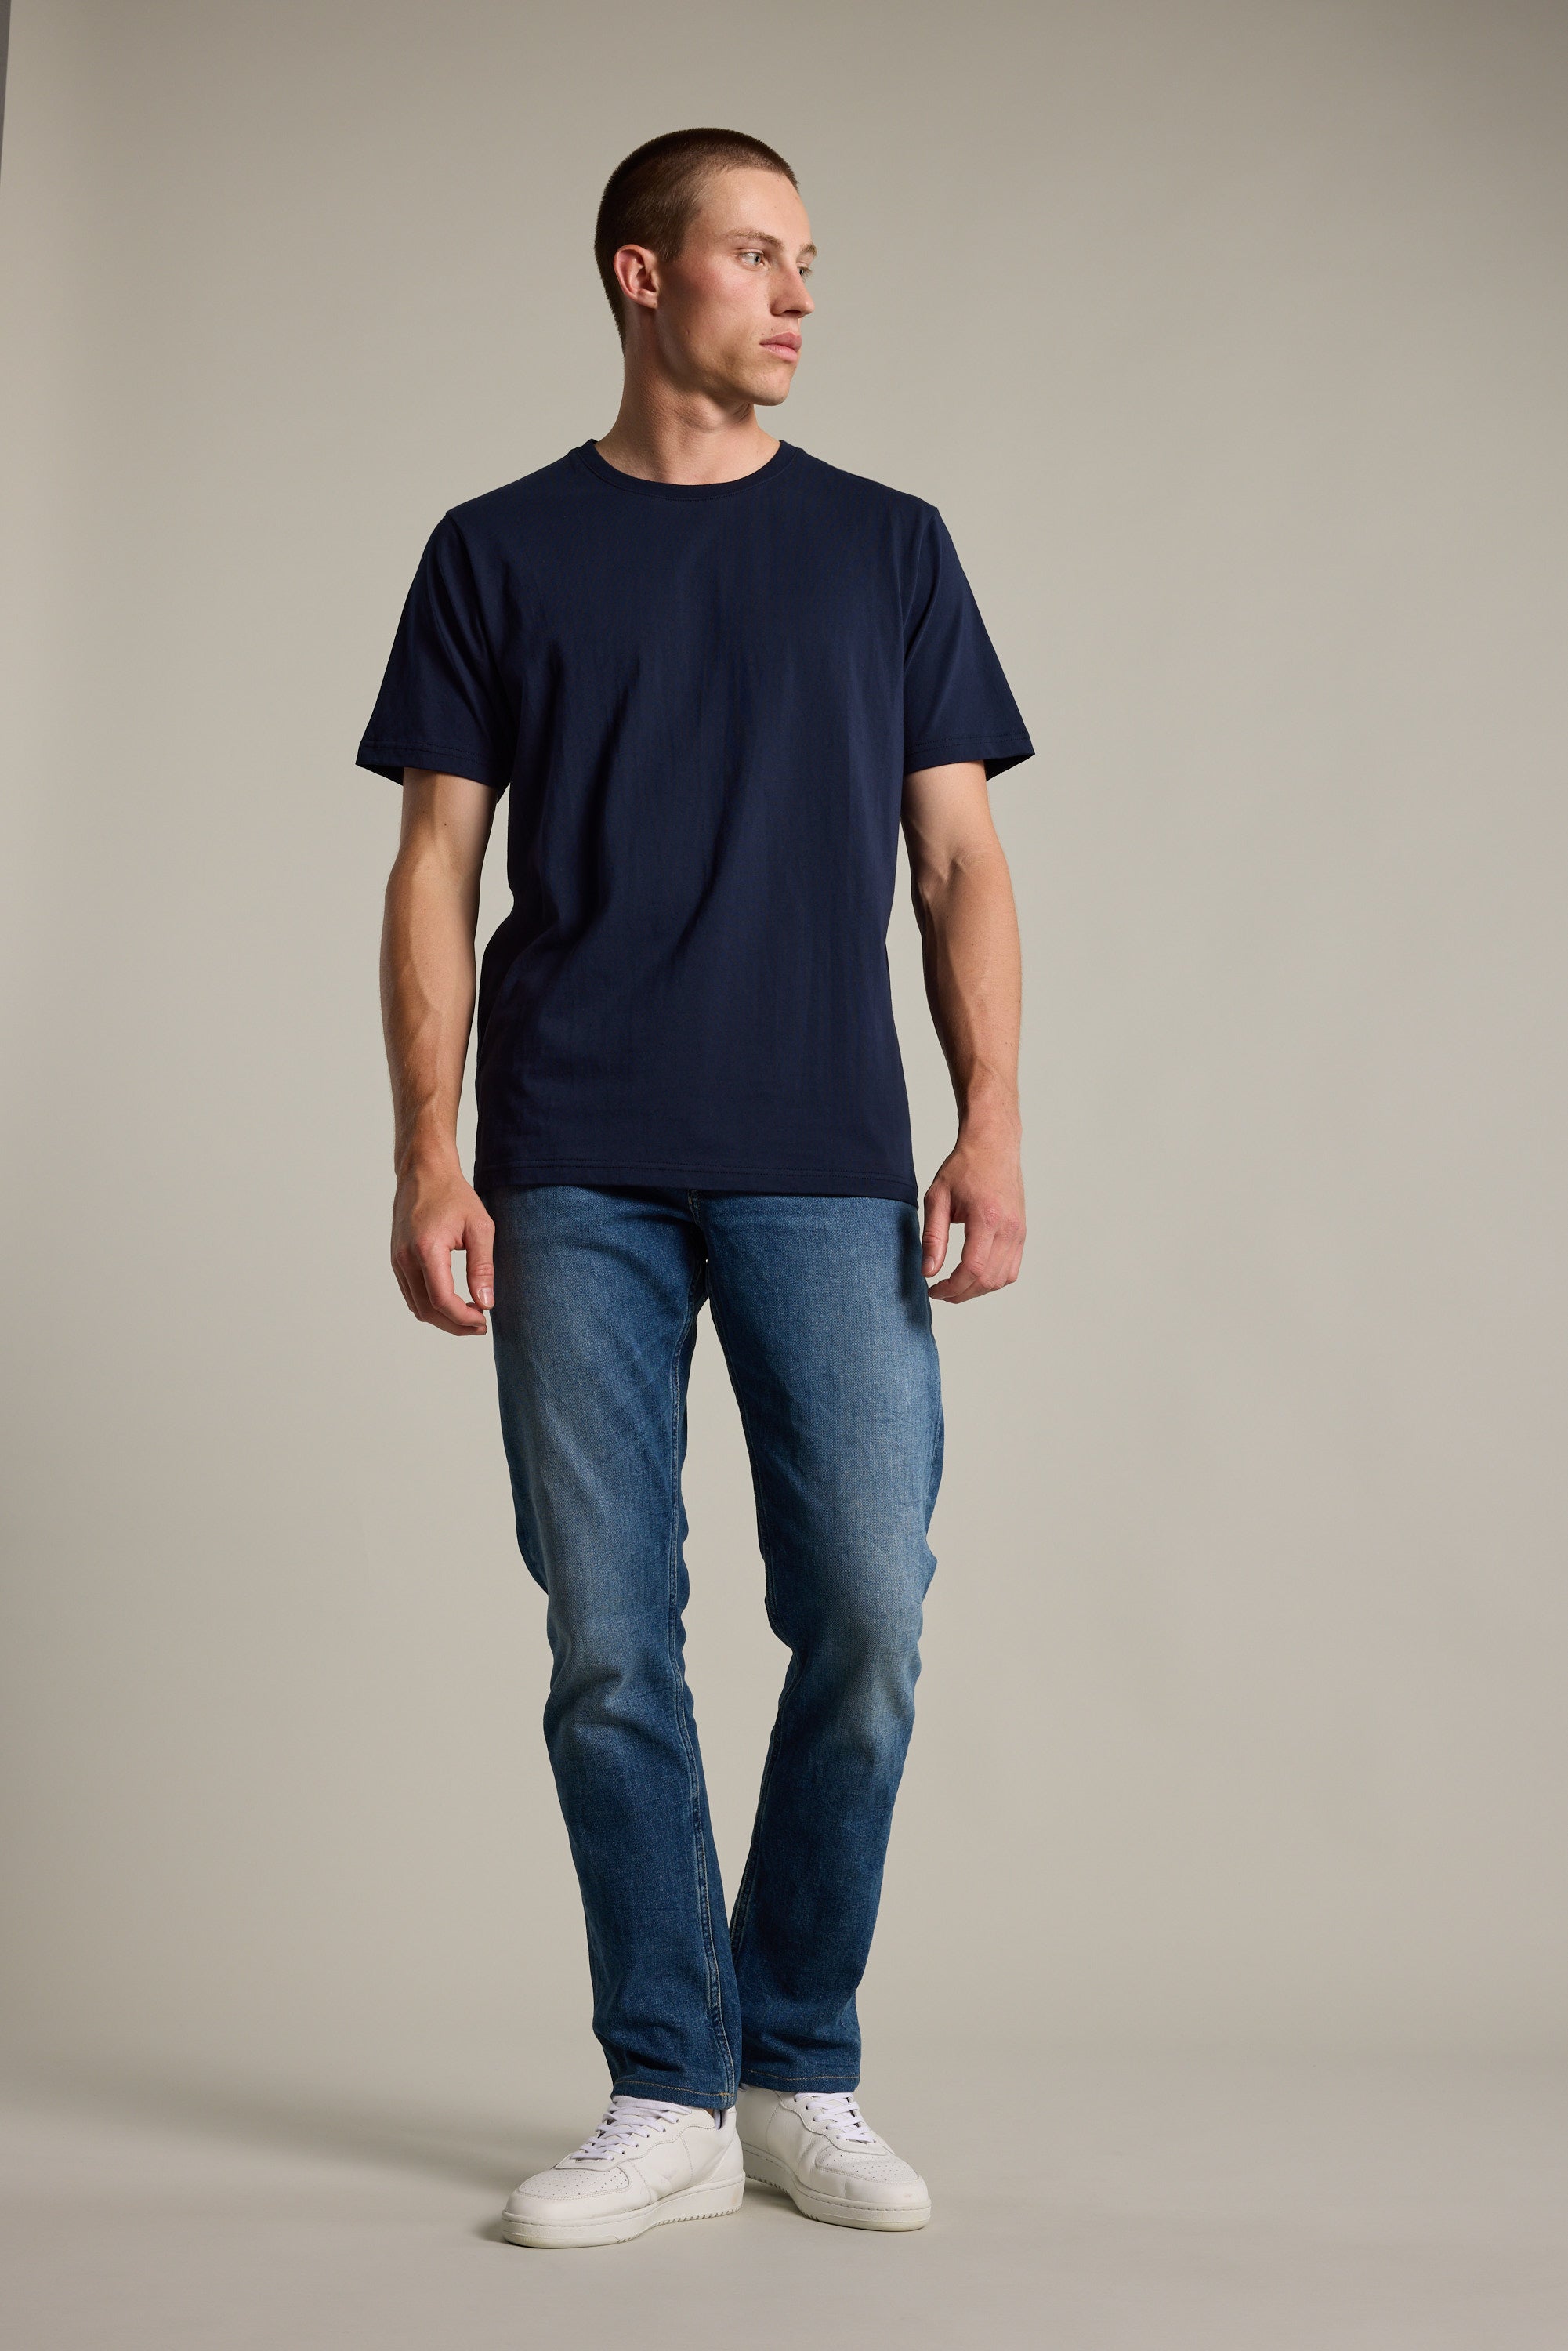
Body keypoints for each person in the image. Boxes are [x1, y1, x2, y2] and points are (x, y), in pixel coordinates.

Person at [357, 126, 1032, 2251]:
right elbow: (436, 870)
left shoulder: (887, 547)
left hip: (827, 1167)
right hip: (572, 1170)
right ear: (638, 278)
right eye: (754, 256)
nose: (796, 294)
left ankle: (796, 2062)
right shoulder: (496, 548)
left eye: (805, 259)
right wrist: (427, 1155)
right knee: (607, 1644)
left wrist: (992, 1112)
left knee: (864, 1613)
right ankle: (665, 2083)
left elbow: (958, 858)